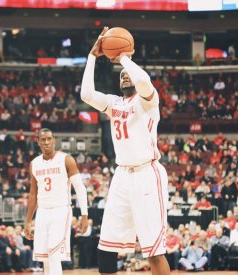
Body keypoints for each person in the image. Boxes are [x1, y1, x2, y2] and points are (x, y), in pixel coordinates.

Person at [80, 27, 169, 275]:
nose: (125, 76)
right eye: (121, 74)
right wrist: (92, 56)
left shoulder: (148, 101)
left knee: (153, 251)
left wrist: (122, 57)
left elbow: (143, 81)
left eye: (127, 73)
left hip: (147, 174)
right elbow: (86, 94)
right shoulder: (113, 103)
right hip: (122, 176)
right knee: (106, 248)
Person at [24, 128, 89, 275]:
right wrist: (28, 220)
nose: (46, 142)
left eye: (49, 139)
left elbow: (80, 188)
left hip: (61, 210)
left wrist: (84, 215)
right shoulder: (34, 164)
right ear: (38, 142)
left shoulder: (66, 160)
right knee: (45, 258)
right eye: (43, 139)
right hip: (42, 212)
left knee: (53, 254)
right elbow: (33, 194)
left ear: (54, 140)